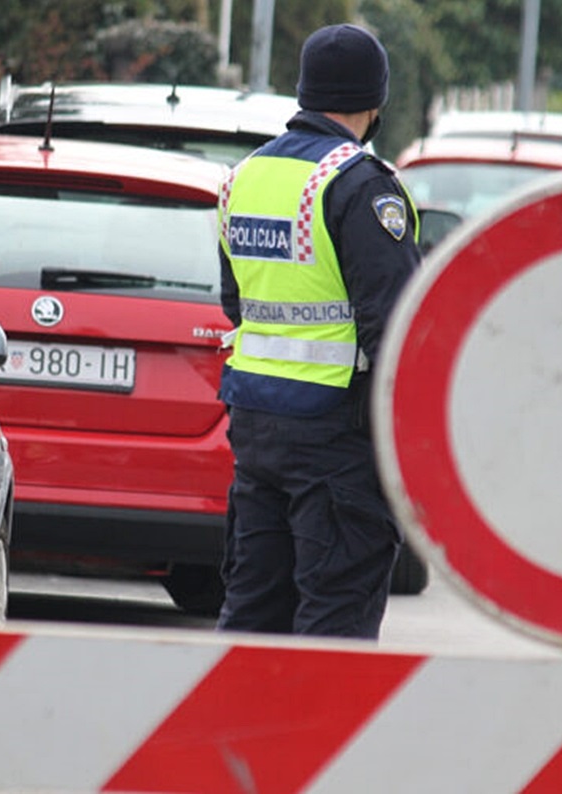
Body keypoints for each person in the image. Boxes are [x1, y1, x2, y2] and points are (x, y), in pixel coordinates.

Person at [214, 23, 421, 639]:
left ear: (305, 92)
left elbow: (237, 304)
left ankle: (227, 734)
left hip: (254, 428)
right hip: (336, 434)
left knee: (252, 611)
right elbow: (399, 326)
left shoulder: (244, 176)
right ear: (375, 100)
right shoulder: (360, 185)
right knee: (336, 619)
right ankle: (317, 739)